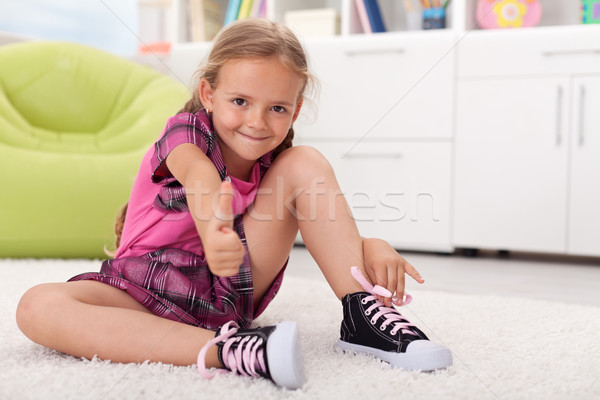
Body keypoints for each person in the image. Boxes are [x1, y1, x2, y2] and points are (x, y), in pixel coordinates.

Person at [16, 19, 452, 390]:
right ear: (208, 94)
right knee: (36, 306)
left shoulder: (277, 161)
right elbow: (200, 177)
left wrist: (365, 246)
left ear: (296, 111)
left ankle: (362, 313)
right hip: (142, 291)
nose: (257, 122)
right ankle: (232, 351)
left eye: (277, 108)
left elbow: (317, 206)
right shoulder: (185, 131)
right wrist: (212, 230)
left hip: (231, 290)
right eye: (240, 101)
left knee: (307, 162)